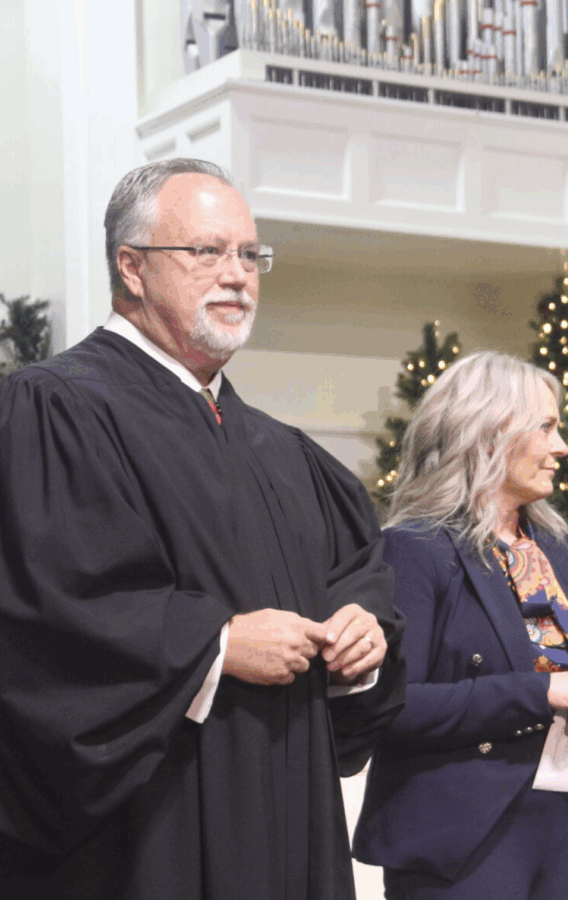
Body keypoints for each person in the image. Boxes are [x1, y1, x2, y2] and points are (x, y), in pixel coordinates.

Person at [0, 158, 406, 900]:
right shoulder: (54, 412)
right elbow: (45, 619)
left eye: (250, 255)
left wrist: (363, 636)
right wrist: (214, 645)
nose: (238, 275)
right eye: (206, 252)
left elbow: (359, 576)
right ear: (132, 267)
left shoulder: (285, 454)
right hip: (149, 833)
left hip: (292, 820)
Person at [352, 350, 568, 900]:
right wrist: (538, 692)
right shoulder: (414, 548)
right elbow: (393, 706)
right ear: (486, 434)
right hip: (465, 833)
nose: (562, 447)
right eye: (547, 428)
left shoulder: (563, 549)